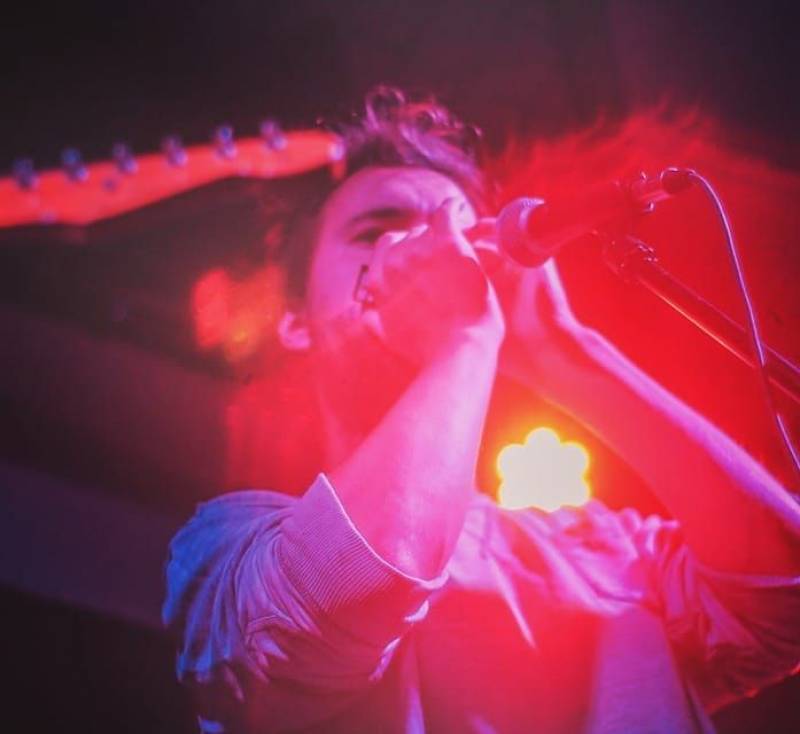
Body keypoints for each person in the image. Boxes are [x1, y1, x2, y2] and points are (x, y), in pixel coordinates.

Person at [163, 87, 800, 733]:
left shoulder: (605, 546)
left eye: (456, 234)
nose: (430, 252)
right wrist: (462, 337)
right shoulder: (226, 544)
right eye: (375, 231)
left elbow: (786, 599)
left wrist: (562, 348)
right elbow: (341, 595)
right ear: (295, 320)